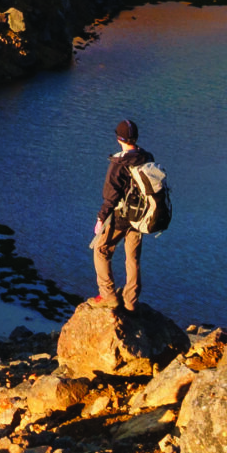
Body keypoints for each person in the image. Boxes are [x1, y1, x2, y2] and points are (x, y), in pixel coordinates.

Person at [92, 118, 155, 309]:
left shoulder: (118, 164)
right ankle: (131, 302)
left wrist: (100, 219)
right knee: (132, 258)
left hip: (121, 217)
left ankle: (108, 294)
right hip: (140, 217)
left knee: (101, 250)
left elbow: (110, 197)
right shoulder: (147, 157)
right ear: (135, 138)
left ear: (119, 139)